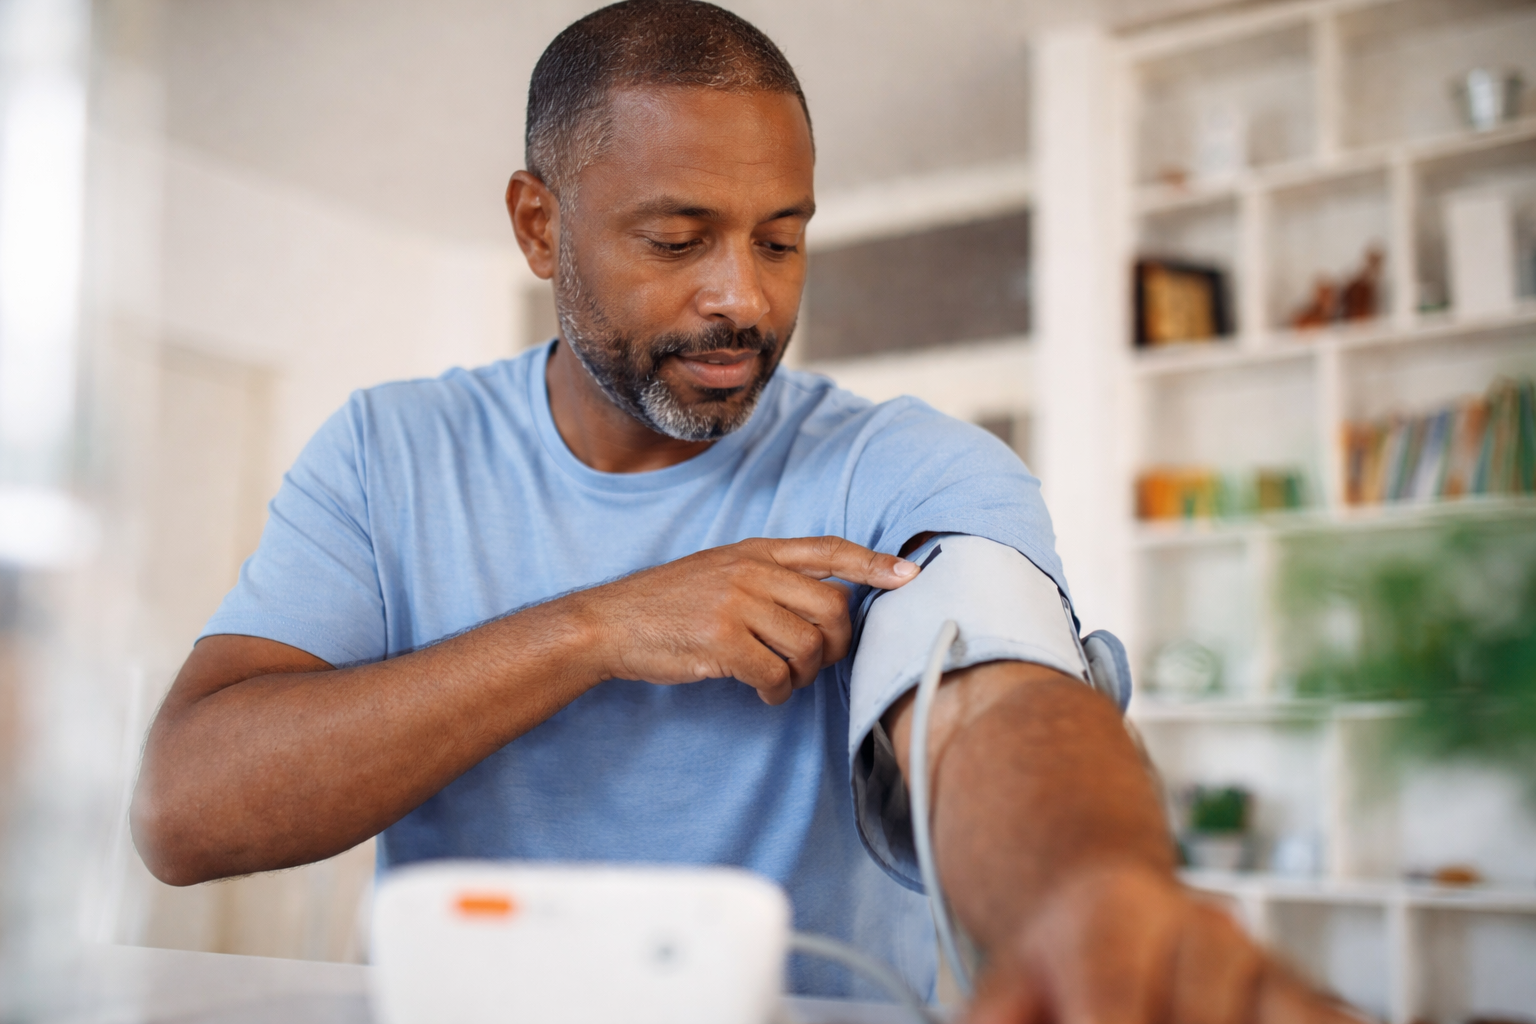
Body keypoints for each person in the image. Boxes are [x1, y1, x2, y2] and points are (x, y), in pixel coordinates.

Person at [132, 2, 1353, 1020]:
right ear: (537, 223)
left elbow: (994, 700)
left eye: (782, 241)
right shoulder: (388, 452)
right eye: (679, 239)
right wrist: (593, 629)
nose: (743, 299)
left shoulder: (907, 465)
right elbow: (184, 812)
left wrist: (1090, 890)